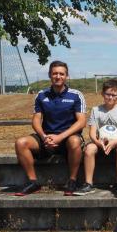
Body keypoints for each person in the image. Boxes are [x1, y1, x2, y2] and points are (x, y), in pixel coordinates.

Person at [13, 60, 87, 196]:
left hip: (67, 140)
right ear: (50, 75)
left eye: (61, 74)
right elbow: (35, 120)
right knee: (21, 143)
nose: (58, 76)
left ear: (66, 76)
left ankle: (72, 180)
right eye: (55, 73)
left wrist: (60, 137)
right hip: (46, 139)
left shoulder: (76, 95)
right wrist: (44, 137)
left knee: (75, 141)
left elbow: (81, 122)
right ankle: (32, 182)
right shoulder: (41, 95)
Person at [75, 79, 117, 197]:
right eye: (108, 94)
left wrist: (115, 142)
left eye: (113, 95)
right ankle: (88, 184)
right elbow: (92, 132)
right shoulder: (96, 110)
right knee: (89, 149)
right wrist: (98, 143)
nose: (110, 97)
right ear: (102, 94)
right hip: (100, 141)